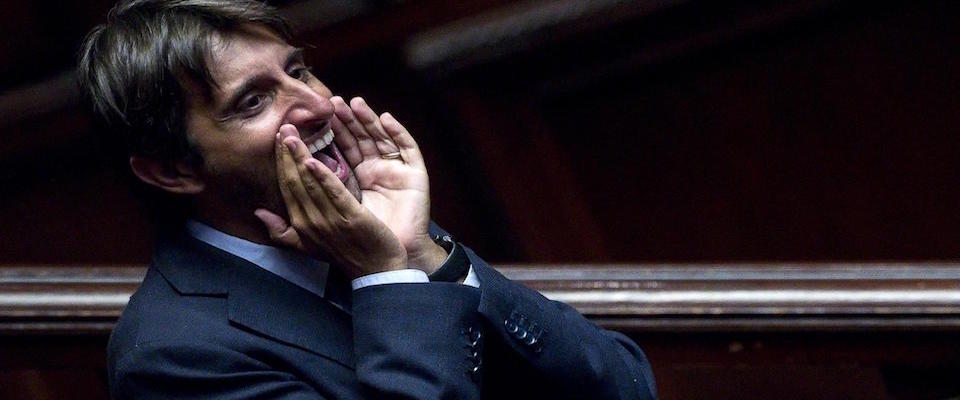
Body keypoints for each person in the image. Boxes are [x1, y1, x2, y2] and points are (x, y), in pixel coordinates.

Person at [77, 1, 657, 398]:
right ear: (172, 170)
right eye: (254, 102)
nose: (318, 105)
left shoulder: (373, 227)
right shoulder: (174, 356)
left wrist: (426, 258)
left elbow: (624, 385)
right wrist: (386, 279)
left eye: (299, 70)